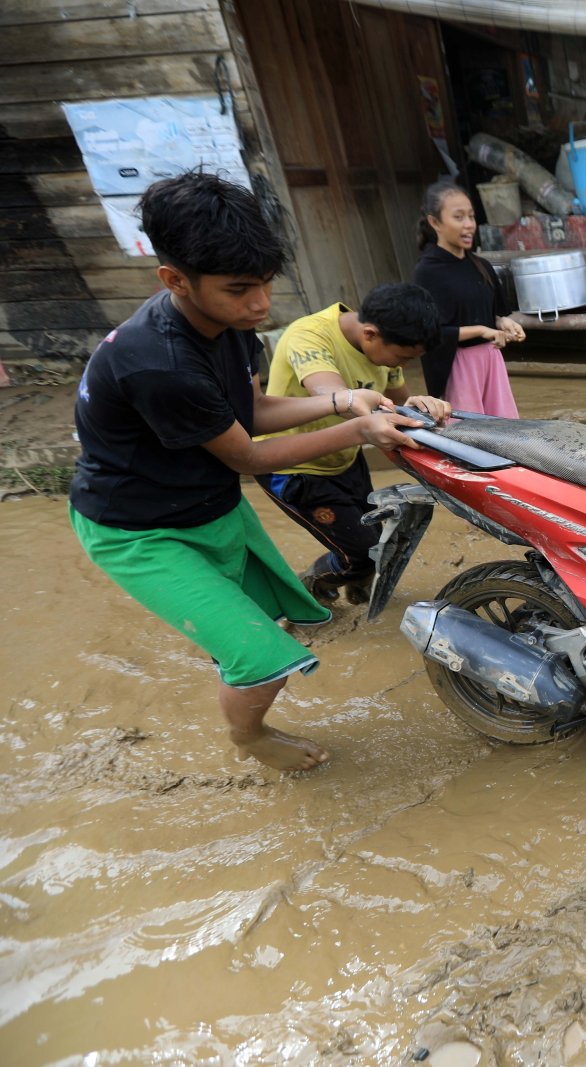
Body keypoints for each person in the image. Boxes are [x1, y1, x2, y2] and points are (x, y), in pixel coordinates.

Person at [66, 171, 422, 772]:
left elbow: (249, 411)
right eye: (239, 289)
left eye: (264, 283)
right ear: (174, 280)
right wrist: (361, 430)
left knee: (261, 626)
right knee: (262, 658)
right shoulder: (160, 363)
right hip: (139, 529)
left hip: (208, 504)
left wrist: (344, 400)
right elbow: (248, 455)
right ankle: (248, 738)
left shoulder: (229, 326)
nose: (260, 304)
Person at [256, 284, 451, 604]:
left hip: (345, 455)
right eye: (403, 358)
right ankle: (309, 590)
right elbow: (329, 393)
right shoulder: (309, 335)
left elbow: (400, 406)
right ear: (370, 334)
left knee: (377, 540)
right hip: (294, 466)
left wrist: (423, 407)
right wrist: (365, 407)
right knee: (360, 555)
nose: (402, 366)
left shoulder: (385, 349)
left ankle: (359, 593)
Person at [413, 181, 523, 418]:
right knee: (469, 431)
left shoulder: (480, 265)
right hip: (458, 365)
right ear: (435, 222)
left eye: (471, 216)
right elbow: (431, 333)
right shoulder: (428, 271)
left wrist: (503, 323)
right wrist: (482, 331)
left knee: (506, 428)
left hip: (491, 359)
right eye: (458, 217)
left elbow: (492, 314)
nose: (469, 224)